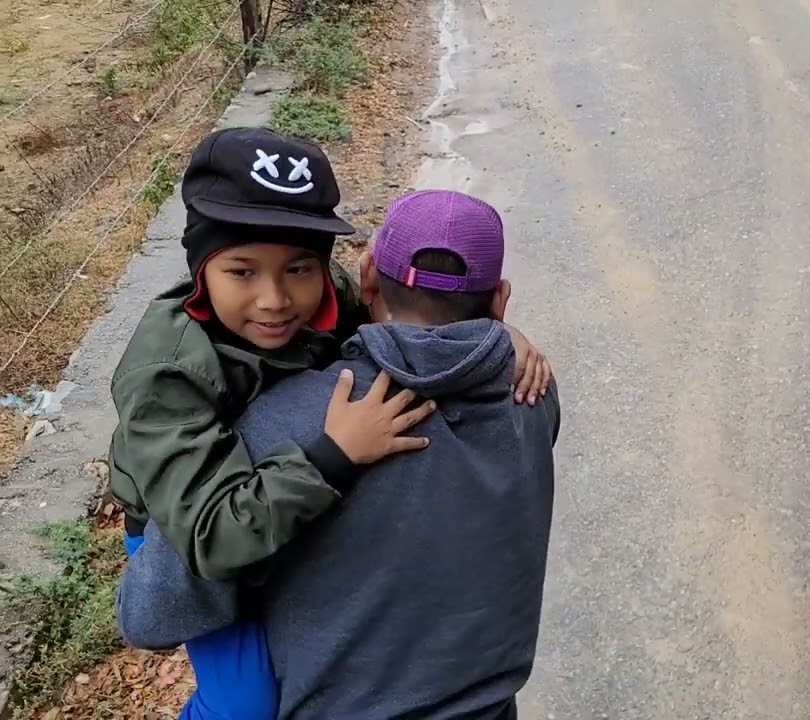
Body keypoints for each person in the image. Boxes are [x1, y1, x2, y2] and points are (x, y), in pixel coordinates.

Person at [109, 129, 554, 720]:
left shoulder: (327, 297)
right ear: (201, 269)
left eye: (299, 268)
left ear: (350, 275)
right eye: (242, 272)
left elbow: (412, 329)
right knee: (243, 705)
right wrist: (333, 455)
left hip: (270, 492)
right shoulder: (168, 374)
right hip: (188, 514)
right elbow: (206, 541)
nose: (275, 299)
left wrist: (492, 340)